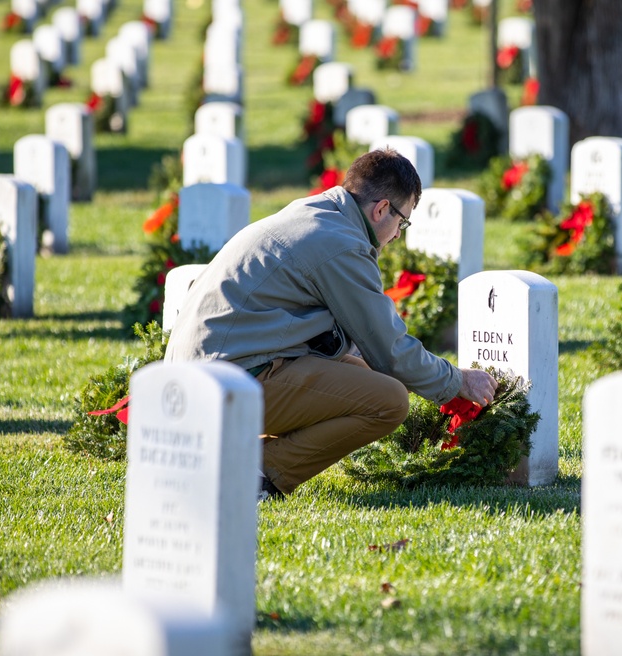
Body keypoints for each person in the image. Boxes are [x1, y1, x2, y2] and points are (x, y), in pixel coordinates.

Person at [164, 149, 497, 498]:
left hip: (201, 372)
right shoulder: (342, 244)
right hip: (221, 384)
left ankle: (236, 455)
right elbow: (391, 352)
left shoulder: (318, 214)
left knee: (364, 375)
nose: (399, 234)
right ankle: (254, 473)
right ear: (381, 209)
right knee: (389, 401)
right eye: (402, 221)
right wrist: (457, 380)